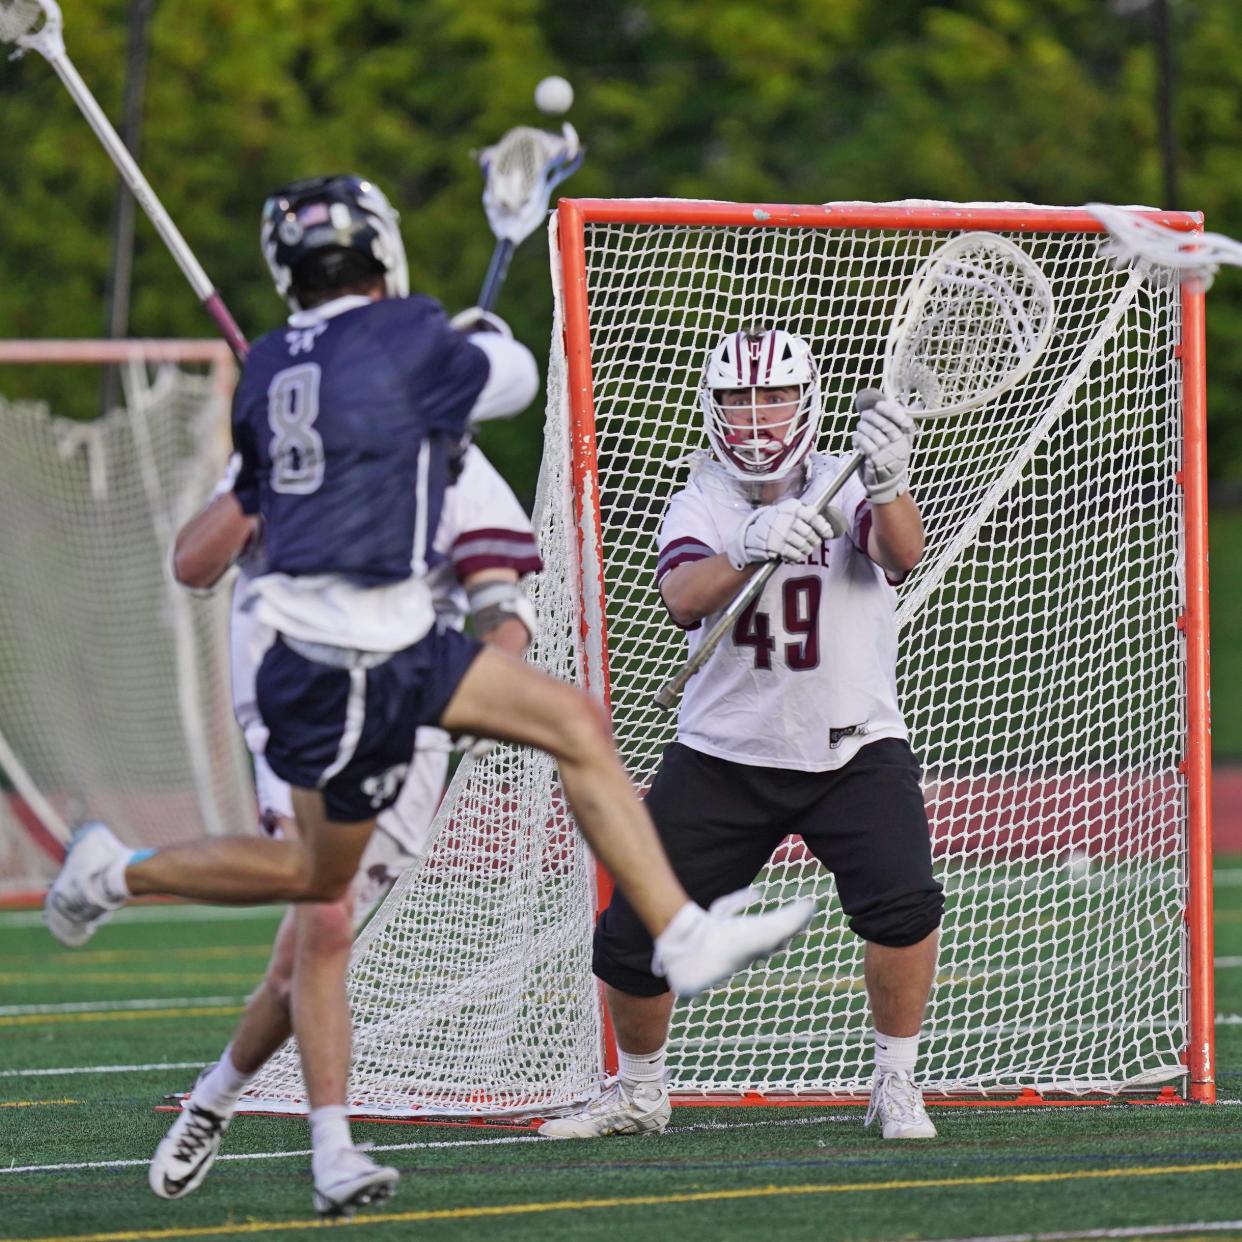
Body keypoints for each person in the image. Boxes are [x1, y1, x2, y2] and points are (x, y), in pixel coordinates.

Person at [42, 178, 817, 1215]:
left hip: (400, 646)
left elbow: (494, 588)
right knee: (315, 890)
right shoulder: (405, 341)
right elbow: (511, 371)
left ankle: (678, 931)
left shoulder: (274, 370)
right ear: (384, 258)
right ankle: (130, 893)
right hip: (321, 669)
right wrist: (468, 348)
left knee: (569, 724)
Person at [539, 326, 944, 1142]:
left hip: (852, 744)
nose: (758, 414)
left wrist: (892, 482)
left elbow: (900, 552)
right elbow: (685, 596)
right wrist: (746, 543)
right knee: (631, 937)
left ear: (808, 400)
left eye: (775, 395)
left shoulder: (845, 481)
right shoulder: (699, 501)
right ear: (712, 407)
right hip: (724, 751)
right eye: (738, 397)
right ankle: (641, 1094)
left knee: (904, 905)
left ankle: (895, 1085)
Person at [146, 437, 540, 1205]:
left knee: (301, 958)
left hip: (406, 730)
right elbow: (193, 566)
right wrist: (259, 476)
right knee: (323, 920)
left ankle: (214, 1098)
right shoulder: (289, 438)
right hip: (299, 714)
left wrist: (478, 690)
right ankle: (333, 1151)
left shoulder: (455, 460)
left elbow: (506, 618)